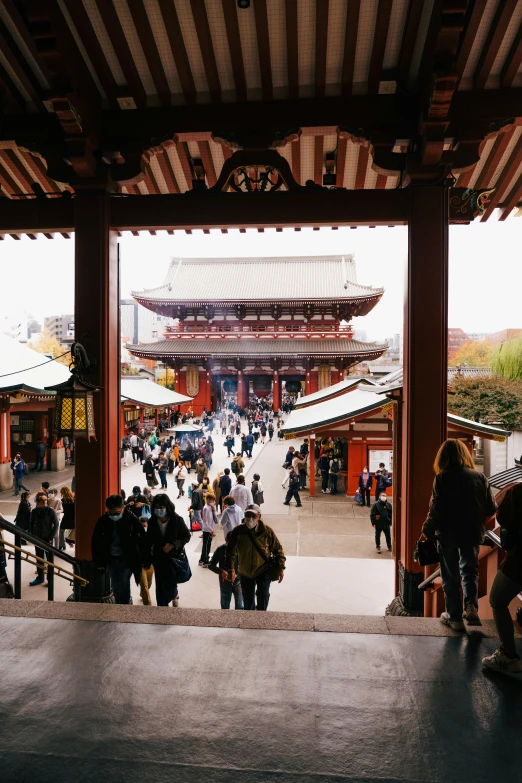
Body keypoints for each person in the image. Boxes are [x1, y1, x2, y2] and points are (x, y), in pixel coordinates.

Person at [422, 439, 496, 631]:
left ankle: (455, 617)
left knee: (450, 574)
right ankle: (471, 607)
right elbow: (491, 508)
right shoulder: (480, 477)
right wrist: (477, 520)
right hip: (472, 532)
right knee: (470, 570)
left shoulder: (442, 478)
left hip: (448, 534)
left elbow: (435, 510)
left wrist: (426, 531)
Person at [482, 483, 522, 674]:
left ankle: (508, 654)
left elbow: (504, 516)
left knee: (497, 600)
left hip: (519, 559)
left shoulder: (518, 491)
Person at [224, 504, 285, 611]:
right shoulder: (237, 531)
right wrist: (231, 569)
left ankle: (261, 616)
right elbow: (230, 553)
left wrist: (281, 568)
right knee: (248, 599)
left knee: (263, 595)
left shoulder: (267, 531)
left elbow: (278, 550)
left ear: (259, 516)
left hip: (263, 569)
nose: (250, 518)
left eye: (253, 515)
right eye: (248, 515)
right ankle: (250, 620)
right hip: (245, 571)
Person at [91, 494, 148, 605]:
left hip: (127, 558)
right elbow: (95, 542)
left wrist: (145, 559)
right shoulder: (102, 521)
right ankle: (119, 604)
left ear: (123, 508)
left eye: (116, 513)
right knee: (116, 584)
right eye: (110, 513)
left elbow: (143, 540)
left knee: (124, 582)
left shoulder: (132, 520)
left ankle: (125, 606)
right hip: (111, 558)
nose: (113, 515)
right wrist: (98, 561)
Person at [29, 492, 59, 586]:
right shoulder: (34, 511)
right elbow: (31, 523)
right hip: (37, 537)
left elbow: (56, 524)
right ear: (38, 502)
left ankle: (50, 579)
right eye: (42, 500)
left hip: (47, 538)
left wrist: (51, 536)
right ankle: (40, 577)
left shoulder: (50, 511)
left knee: (50, 560)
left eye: (45, 500)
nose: (44, 502)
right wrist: (31, 535)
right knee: (39, 558)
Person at [208, 533, 244, 610]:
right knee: (225, 607)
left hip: (238, 582)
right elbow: (211, 565)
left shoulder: (241, 550)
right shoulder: (220, 550)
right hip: (225, 582)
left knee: (239, 606)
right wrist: (221, 571)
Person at [199, 492, 217, 567]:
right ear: (208, 500)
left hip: (209, 529)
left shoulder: (210, 507)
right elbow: (205, 521)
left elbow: (213, 518)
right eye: (213, 500)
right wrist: (211, 530)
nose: (213, 502)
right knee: (207, 545)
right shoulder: (206, 508)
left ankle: (202, 559)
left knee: (207, 544)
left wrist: (214, 509)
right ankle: (205, 560)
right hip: (207, 530)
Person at [59, 486, 75, 551]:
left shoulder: (63, 501)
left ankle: (62, 545)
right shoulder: (73, 499)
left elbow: (63, 510)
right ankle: (70, 541)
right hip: (73, 517)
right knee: (74, 530)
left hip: (66, 517)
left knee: (61, 531)